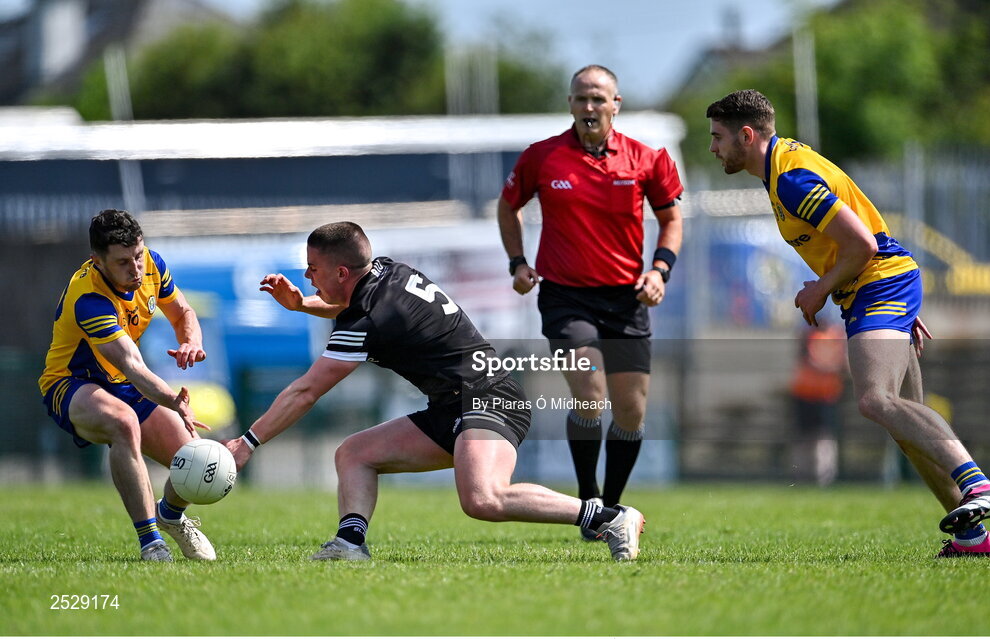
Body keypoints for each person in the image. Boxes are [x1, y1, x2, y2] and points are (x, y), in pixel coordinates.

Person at [705, 89, 990, 557]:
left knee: (875, 400)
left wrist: (818, 288)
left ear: (746, 136)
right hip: (881, 289)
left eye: (717, 137)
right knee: (906, 425)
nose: (712, 148)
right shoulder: (782, 166)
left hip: (877, 284)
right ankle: (971, 536)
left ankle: (980, 485)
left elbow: (863, 245)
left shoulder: (790, 178)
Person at [223, 221, 646, 561]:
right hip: (454, 405)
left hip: (490, 399)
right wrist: (302, 304)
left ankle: (610, 517)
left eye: (312, 269)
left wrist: (249, 441)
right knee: (353, 454)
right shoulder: (386, 270)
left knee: (483, 498)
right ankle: (350, 544)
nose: (306, 276)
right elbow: (348, 301)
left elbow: (305, 392)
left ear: (340, 271)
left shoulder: (367, 320)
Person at [497, 65, 683, 539]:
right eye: (581, 99)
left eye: (599, 99)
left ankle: (612, 509)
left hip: (626, 299)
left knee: (631, 412)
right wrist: (518, 262)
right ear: (570, 104)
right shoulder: (543, 157)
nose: (589, 107)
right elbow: (507, 206)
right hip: (565, 297)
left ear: (616, 103)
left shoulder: (648, 158)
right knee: (589, 392)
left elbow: (672, 220)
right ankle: (589, 500)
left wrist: (659, 271)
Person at [39, 209, 217, 562]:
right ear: (98, 261)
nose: (136, 269)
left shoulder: (152, 264)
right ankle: (151, 542)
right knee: (123, 422)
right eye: (123, 262)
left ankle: (170, 516)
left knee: (196, 462)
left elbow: (184, 314)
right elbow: (132, 365)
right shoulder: (89, 298)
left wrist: (191, 341)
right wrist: (172, 400)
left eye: (138, 256)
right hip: (71, 383)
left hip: (122, 383)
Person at [789, 321, 846, 486]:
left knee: (824, 437)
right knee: (804, 437)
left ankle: (824, 477)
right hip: (805, 394)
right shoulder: (810, 336)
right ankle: (801, 476)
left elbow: (839, 364)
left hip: (826, 395)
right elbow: (809, 360)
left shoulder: (835, 337)